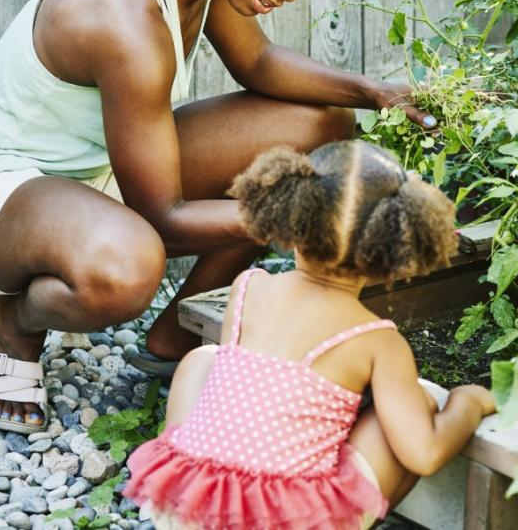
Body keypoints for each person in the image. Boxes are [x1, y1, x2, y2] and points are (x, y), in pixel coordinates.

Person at [0, 0, 440, 434]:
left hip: (99, 168)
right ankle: (16, 327)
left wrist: (375, 93)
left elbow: (259, 61)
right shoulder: (123, 16)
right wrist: (306, 218)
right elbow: (162, 219)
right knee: (128, 264)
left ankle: (173, 338)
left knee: (318, 127)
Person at [123, 141, 497, 529]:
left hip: (190, 512)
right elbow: (424, 453)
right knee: (414, 402)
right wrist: (468, 402)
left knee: (204, 358)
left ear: (290, 215)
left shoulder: (248, 287)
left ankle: (182, 474)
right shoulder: (375, 339)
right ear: (396, 246)